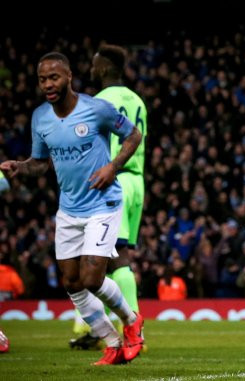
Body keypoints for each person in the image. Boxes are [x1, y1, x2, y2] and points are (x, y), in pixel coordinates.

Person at [0, 52, 144, 366]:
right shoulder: (41, 117)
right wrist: (20, 168)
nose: (48, 84)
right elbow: (40, 163)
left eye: (54, 77)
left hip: (103, 203)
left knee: (92, 278)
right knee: (71, 282)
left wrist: (113, 166)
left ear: (68, 77)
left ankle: (132, 321)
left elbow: (134, 134)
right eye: (42, 79)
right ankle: (111, 342)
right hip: (69, 210)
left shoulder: (96, 109)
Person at [69, 44, 148, 352]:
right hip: (136, 181)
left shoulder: (100, 100)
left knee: (91, 255)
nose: (90, 69)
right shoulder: (137, 100)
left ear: (103, 68)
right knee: (121, 256)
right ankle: (129, 324)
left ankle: (96, 327)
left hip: (110, 180)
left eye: (93, 64)